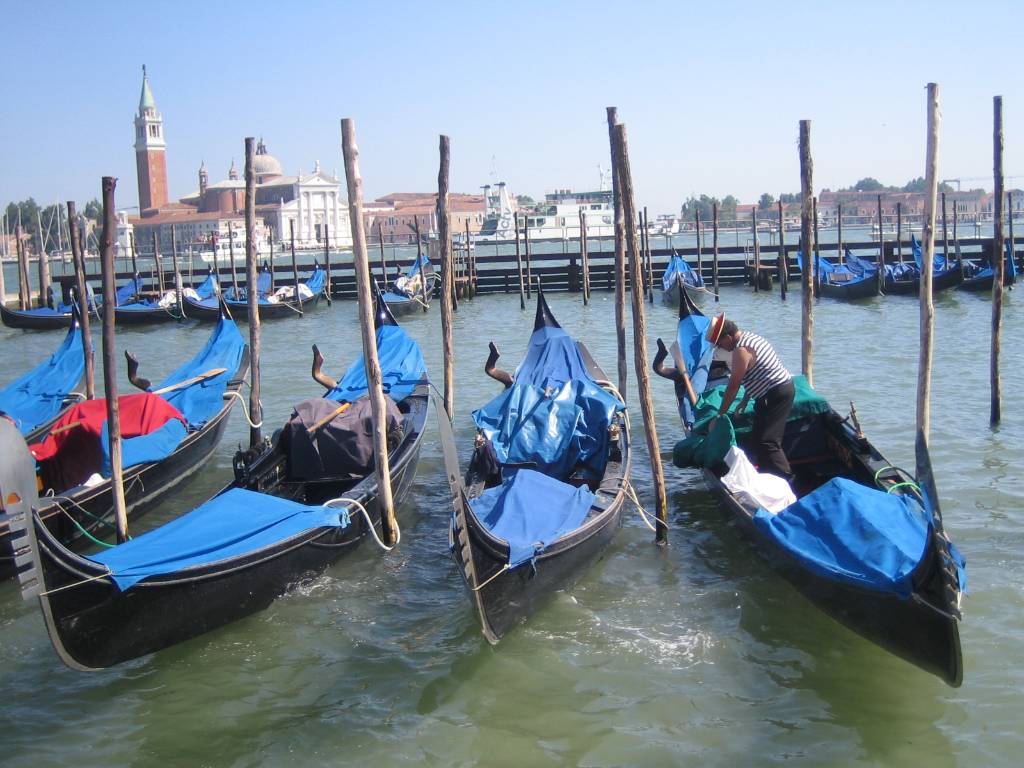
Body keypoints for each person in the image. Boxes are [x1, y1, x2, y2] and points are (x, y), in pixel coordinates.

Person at [705, 314, 794, 481]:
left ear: (728, 337)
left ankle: (787, 479)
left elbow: (733, 385)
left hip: (776, 393)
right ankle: (768, 477)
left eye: (719, 343)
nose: (720, 347)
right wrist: (745, 401)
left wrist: (719, 416)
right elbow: (756, 374)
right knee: (756, 440)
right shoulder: (751, 337)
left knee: (768, 441)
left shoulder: (741, 350)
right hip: (772, 392)